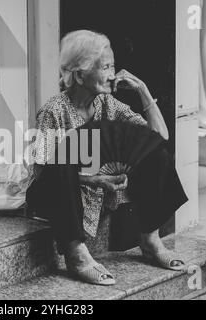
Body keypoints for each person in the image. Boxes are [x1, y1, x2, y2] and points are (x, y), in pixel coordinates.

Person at [26, 30, 188, 286]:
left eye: (112, 66)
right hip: (54, 192)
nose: (113, 74)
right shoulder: (53, 110)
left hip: (96, 187)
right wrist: (94, 180)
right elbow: (40, 171)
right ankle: (76, 254)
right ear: (79, 75)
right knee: (62, 162)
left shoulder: (108, 104)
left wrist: (143, 91)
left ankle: (150, 239)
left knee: (156, 154)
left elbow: (159, 136)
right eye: (105, 67)